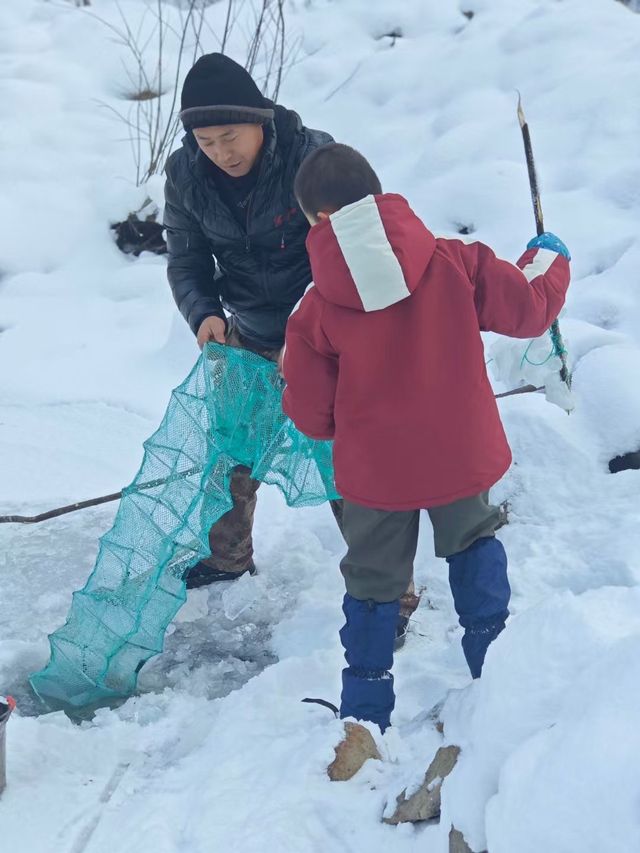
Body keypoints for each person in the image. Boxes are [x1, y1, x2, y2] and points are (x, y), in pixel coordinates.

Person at [282, 142, 571, 730]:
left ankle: (365, 716)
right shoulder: (455, 262)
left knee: (372, 580)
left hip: (376, 475)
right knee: (474, 545)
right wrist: (548, 258)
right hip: (458, 456)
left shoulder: (314, 312)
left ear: (320, 220)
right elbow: (530, 307)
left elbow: (313, 417)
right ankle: (495, 680)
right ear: (377, 197)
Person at [163, 52, 335, 588]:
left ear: (258, 119)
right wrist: (203, 313)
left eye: (230, 137)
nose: (221, 153)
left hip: (327, 335)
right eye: (206, 141)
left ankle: (387, 590)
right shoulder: (186, 174)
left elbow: (352, 257)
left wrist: (306, 333)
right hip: (249, 332)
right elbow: (187, 259)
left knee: (346, 463)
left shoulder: (315, 161)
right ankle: (228, 558)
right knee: (231, 453)